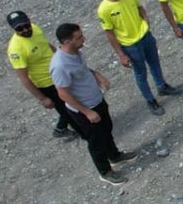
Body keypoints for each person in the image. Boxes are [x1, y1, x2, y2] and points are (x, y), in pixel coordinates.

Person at [49, 23, 137, 185]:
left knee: (107, 129)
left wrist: (96, 74)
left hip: (97, 100)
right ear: (67, 41)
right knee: (96, 141)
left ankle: (114, 155)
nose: (84, 39)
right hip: (85, 109)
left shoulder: (75, 52)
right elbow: (63, 93)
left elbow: (81, 69)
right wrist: (86, 112)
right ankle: (105, 171)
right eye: (79, 37)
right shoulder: (60, 65)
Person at [97, 0, 181, 115]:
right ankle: (150, 100)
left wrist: (146, 22)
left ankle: (162, 86)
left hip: (145, 36)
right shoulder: (104, 10)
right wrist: (121, 54)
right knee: (140, 73)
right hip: (130, 45)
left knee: (154, 63)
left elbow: (140, 8)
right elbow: (110, 33)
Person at [5, 11, 76, 138]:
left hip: (59, 72)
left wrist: (61, 55)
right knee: (67, 109)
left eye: (26, 25)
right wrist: (43, 98)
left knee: (73, 101)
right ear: (13, 29)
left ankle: (61, 128)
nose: (25, 29)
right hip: (47, 83)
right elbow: (23, 77)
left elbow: (46, 45)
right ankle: (81, 131)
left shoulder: (36, 28)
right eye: (19, 28)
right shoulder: (16, 49)